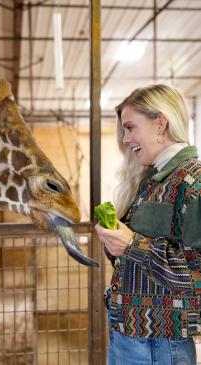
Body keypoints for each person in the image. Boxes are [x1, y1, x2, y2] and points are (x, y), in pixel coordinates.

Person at [95, 84, 201, 365]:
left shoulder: (193, 182)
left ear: (160, 123)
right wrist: (116, 242)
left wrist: (132, 244)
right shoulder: (152, 182)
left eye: (130, 127)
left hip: (158, 344)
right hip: (130, 335)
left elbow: (197, 275)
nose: (126, 139)